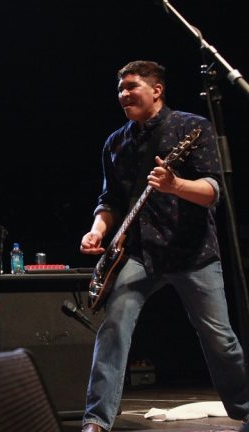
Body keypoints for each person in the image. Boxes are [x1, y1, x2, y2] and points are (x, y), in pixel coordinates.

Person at [79, 60, 249, 432]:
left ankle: (246, 408)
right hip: (140, 253)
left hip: (193, 253)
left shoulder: (192, 127)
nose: (123, 94)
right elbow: (109, 201)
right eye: (120, 88)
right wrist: (97, 231)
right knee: (113, 327)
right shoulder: (115, 143)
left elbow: (212, 192)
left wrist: (176, 186)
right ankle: (96, 420)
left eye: (131, 86)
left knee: (219, 338)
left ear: (157, 90)